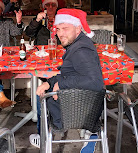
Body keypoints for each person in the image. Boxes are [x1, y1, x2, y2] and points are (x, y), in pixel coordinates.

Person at [29, 8, 104, 149]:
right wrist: (51, 82)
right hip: (83, 106)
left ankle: (43, 138)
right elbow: (71, 74)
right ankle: (89, 136)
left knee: (42, 98)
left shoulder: (81, 50)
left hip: (72, 112)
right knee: (43, 86)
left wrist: (60, 84)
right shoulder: (77, 45)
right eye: (58, 29)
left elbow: (95, 82)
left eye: (65, 28)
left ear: (78, 28)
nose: (60, 33)